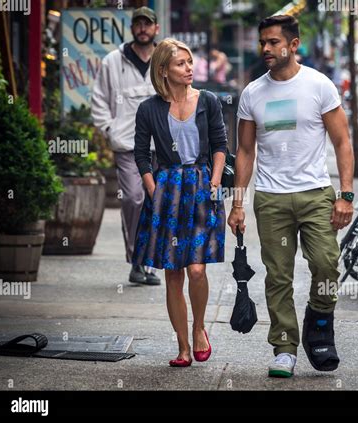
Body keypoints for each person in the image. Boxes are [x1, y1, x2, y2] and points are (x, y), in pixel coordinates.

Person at [228, 15, 354, 378]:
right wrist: (238, 203)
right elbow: (245, 153)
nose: (265, 49)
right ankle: (284, 347)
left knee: (327, 264)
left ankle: (318, 320)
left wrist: (345, 195)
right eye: (262, 43)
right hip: (270, 198)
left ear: (293, 44)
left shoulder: (319, 86)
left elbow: (342, 142)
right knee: (278, 276)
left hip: (316, 194)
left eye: (272, 42)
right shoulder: (252, 92)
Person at [132, 38, 227, 367]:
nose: (189, 68)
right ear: (163, 70)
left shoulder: (208, 101)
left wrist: (214, 182)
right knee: (173, 273)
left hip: (201, 186)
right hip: (167, 190)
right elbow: (141, 154)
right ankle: (183, 347)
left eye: (190, 62)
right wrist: (152, 189)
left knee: (197, 269)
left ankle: (199, 328)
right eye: (181, 64)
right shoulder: (148, 109)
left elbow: (220, 144)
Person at [91, 7, 161, 286]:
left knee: (156, 202)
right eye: (138, 24)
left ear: (156, 28)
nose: (143, 28)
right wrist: (109, 129)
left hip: (162, 145)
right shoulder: (112, 61)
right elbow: (98, 98)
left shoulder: (165, 58)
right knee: (134, 198)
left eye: (148, 24)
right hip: (127, 144)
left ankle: (151, 262)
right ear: (132, 28)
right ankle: (136, 260)